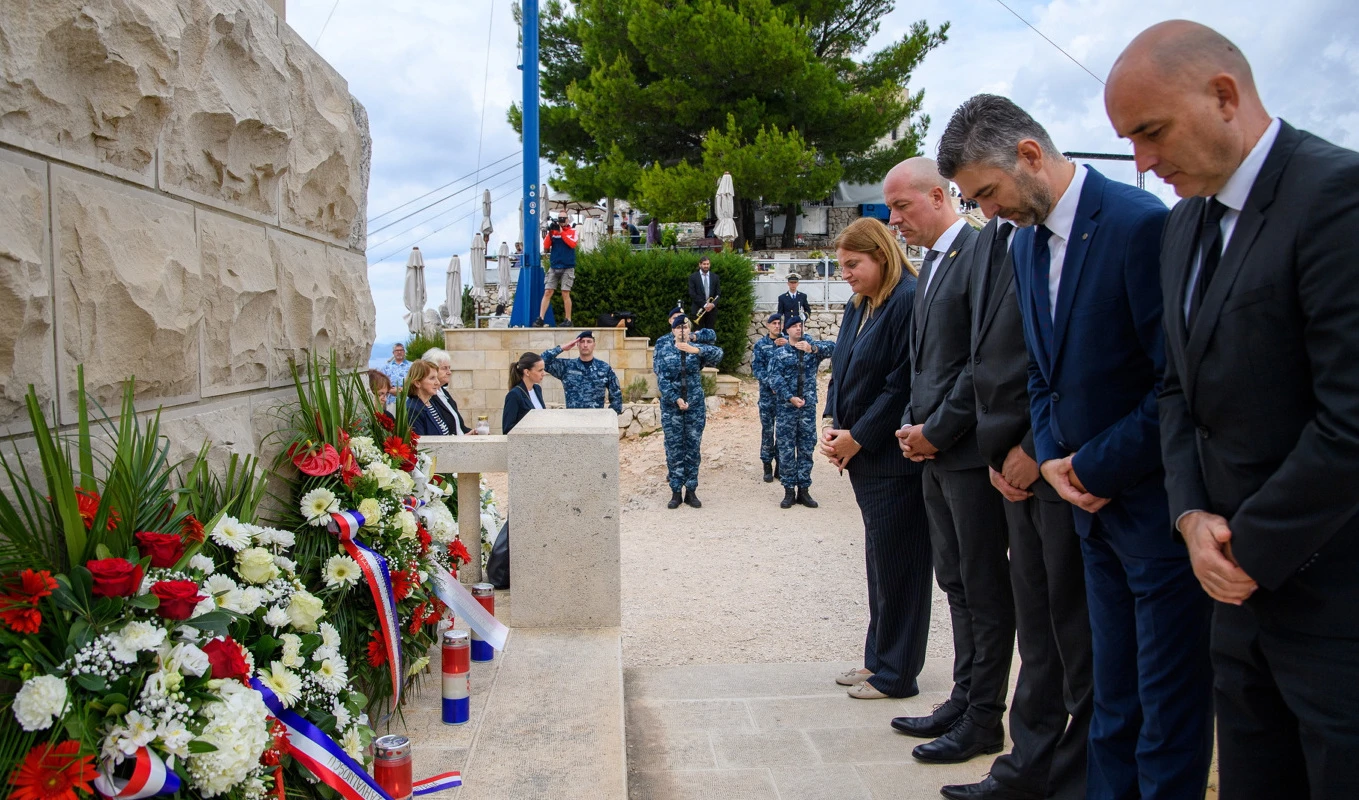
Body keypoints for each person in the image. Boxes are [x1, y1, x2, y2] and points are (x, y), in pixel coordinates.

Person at [1107, 22, 1359, 799]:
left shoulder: (1336, 196)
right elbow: (1179, 387)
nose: (1142, 163)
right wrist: (1188, 517)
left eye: (1149, 132)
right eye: (1129, 141)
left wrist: (1246, 543)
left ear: (1223, 95)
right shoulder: (1184, 224)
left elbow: (1350, 417)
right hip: (1227, 590)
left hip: (1332, 599)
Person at [938, 94, 1212, 799]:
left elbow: (1172, 384)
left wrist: (1085, 464)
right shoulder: (1024, 243)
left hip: (1149, 508)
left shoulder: (1137, 225)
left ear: (1029, 154)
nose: (988, 213)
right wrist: (1056, 456)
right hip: (1083, 505)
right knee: (1109, 692)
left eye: (989, 193)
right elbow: (1041, 368)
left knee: (1163, 705)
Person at [941, 213, 1092, 799]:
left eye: (979, 191)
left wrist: (1032, 447)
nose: (971, 204)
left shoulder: (1076, 232)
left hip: (1060, 469)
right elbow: (992, 358)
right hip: (1010, 466)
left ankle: (1071, 775)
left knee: (1072, 637)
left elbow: (1072, 359)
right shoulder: (1002, 241)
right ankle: (1028, 766)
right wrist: (999, 451)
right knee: (1037, 634)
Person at [887, 159, 1014, 765]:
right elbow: (925, 364)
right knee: (956, 581)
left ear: (939, 196)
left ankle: (986, 715)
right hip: (933, 450)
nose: (894, 221)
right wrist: (915, 430)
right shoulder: (935, 261)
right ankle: (965, 699)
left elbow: (980, 359)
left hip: (964, 452)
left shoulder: (983, 252)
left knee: (984, 586)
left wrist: (936, 430)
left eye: (902, 207)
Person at [819, 217, 932, 702]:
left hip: (891, 458)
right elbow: (842, 368)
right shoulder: (861, 302)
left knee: (901, 565)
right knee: (879, 563)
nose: (844, 273)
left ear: (880, 257)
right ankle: (877, 659)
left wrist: (858, 438)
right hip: (863, 455)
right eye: (842, 265)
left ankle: (897, 673)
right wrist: (830, 419)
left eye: (852, 264)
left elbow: (900, 383)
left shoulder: (906, 299)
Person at [653, 315, 723, 509]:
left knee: (693, 447)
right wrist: (676, 399)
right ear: (673, 330)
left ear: (689, 330)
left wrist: (697, 349)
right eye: (678, 327)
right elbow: (662, 379)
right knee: (674, 448)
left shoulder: (696, 348)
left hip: (694, 405)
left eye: (685, 327)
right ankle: (676, 491)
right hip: (672, 406)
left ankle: (691, 490)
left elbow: (718, 354)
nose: (682, 330)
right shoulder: (665, 349)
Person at [767, 315, 833, 509]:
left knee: (806, 448)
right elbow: (774, 378)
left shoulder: (811, 350)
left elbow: (834, 348)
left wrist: (813, 348)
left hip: (807, 408)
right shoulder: (780, 353)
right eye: (794, 326)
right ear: (787, 331)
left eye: (800, 326)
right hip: (787, 408)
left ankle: (804, 490)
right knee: (786, 449)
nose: (798, 329)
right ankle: (789, 491)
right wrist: (789, 396)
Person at [541, 331, 623, 415]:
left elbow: (616, 395)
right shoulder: (566, 366)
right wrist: (562, 348)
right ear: (577, 344)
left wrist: (608, 417)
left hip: (596, 422)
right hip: (573, 421)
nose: (585, 345)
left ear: (594, 345)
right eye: (582, 341)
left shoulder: (604, 368)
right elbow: (542, 361)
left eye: (589, 341)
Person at [751, 313, 786, 483]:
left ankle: (780, 465)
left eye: (779, 323)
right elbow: (757, 369)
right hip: (767, 396)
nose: (777, 326)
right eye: (774, 323)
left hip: (784, 397)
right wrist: (771, 383)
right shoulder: (761, 345)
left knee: (782, 431)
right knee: (767, 431)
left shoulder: (787, 343)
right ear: (767, 325)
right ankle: (767, 465)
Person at [420, 348, 475, 435]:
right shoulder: (428, 397)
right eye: (444, 368)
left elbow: (459, 426)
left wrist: (472, 433)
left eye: (449, 368)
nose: (449, 372)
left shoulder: (444, 393)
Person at [535, 216, 577, 327]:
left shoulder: (572, 231)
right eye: (560, 218)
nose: (561, 220)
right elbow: (546, 246)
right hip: (554, 266)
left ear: (568, 220)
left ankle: (568, 319)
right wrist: (550, 233)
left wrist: (562, 232)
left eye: (564, 218)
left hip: (567, 266)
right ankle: (541, 318)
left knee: (565, 293)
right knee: (547, 291)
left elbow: (572, 244)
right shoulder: (553, 232)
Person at [405, 360, 455, 437]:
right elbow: (419, 444)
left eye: (436, 377)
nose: (437, 382)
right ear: (417, 383)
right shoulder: (413, 409)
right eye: (432, 378)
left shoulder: (430, 403)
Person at [502, 352, 547, 434]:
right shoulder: (514, 395)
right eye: (540, 370)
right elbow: (507, 429)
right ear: (527, 372)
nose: (544, 373)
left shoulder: (537, 389)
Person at [687, 256, 721, 331]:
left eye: (708, 264)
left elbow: (718, 293)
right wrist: (705, 304)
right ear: (700, 265)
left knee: (710, 333)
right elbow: (692, 293)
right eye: (704, 264)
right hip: (698, 309)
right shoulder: (693, 277)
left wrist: (712, 304)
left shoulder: (715, 277)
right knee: (697, 333)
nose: (706, 266)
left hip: (711, 311)